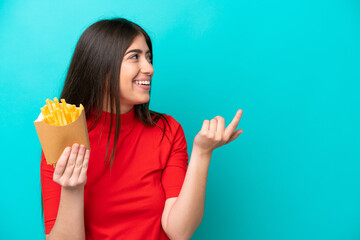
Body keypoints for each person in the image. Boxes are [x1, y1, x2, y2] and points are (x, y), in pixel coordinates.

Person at [41, 17, 244, 240]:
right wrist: (72, 189)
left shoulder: (168, 131)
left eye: (149, 57)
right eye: (134, 57)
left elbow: (179, 231)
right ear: (101, 65)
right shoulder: (65, 137)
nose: (149, 68)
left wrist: (202, 152)